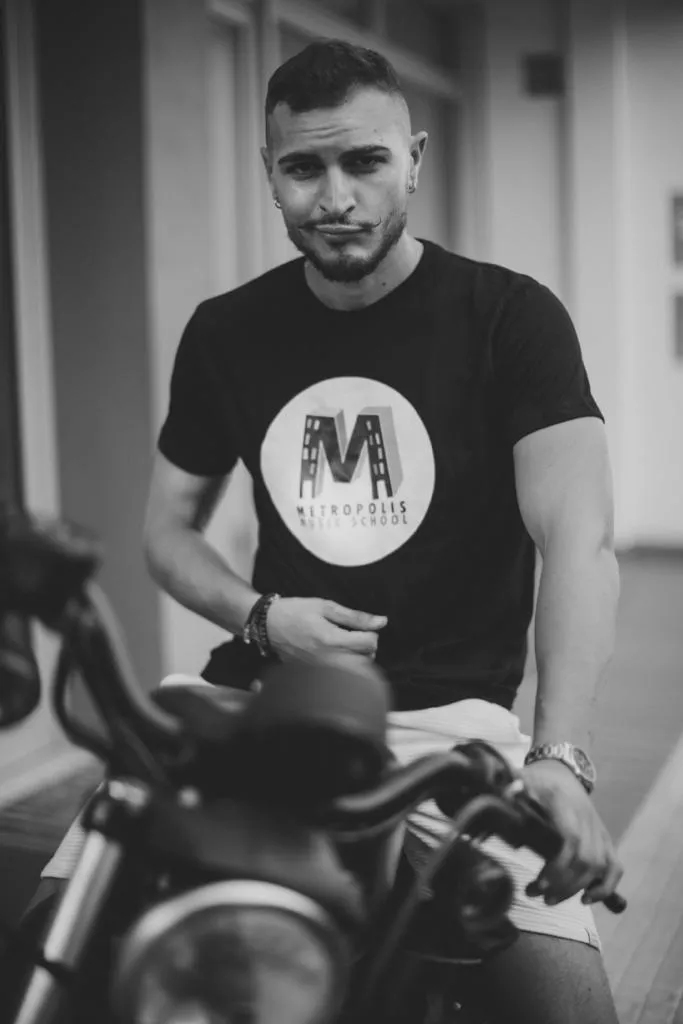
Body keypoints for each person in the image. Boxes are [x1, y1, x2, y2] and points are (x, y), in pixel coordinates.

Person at [37, 39, 623, 1023]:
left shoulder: (509, 318)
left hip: (451, 731)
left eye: (364, 161)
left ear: (414, 160)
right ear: (269, 174)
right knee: (63, 941)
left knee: (568, 1011)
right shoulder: (226, 331)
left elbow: (579, 542)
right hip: (261, 700)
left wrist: (556, 759)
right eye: (304, 167)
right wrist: (261, 617)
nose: (335, 197)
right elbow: (166, 532)